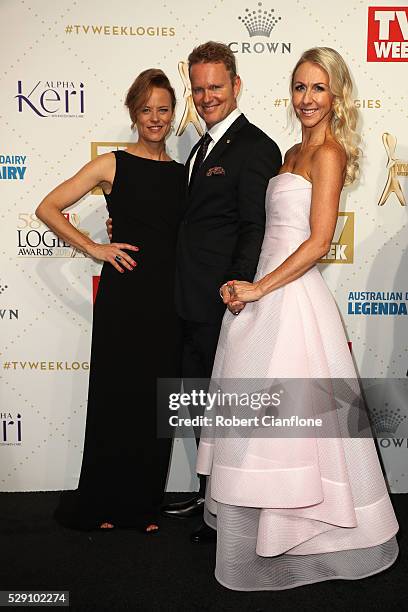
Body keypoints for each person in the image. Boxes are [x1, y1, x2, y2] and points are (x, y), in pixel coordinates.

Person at [196, 47, 399, 589]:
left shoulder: (328, 153)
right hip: (262, 296)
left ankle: (310, 536)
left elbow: (318, 242)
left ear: (336, 97)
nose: (307, 99)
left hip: (291, 298)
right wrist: (248, 287)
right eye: (300, 88)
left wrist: (262, 286)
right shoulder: (288, 151)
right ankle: (268, 532)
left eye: (318, 89)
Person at [36, 69, 184, 533]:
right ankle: (103, 503)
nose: (155, 119)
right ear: (133, 113)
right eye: (146, 110)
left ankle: (141, 506)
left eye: (163, 109)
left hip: (168, 298)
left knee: (153, 403)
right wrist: (93, 247)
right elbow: (47, 207)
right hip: (125, 297)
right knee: (115, 398)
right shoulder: (112, 165)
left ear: (172, 113)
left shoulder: (184, 174)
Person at [159, 42, 282, 542]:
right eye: (199, 88)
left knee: (224, 408)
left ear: (236, 86)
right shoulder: (199, 147)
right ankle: (213, 500)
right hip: (186, 299)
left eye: (216, 86)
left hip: (223, 302)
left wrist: (237, 288)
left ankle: (231, 513)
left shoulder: (256, 147)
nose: (206, 96)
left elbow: (255, 227)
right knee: (194, 401)